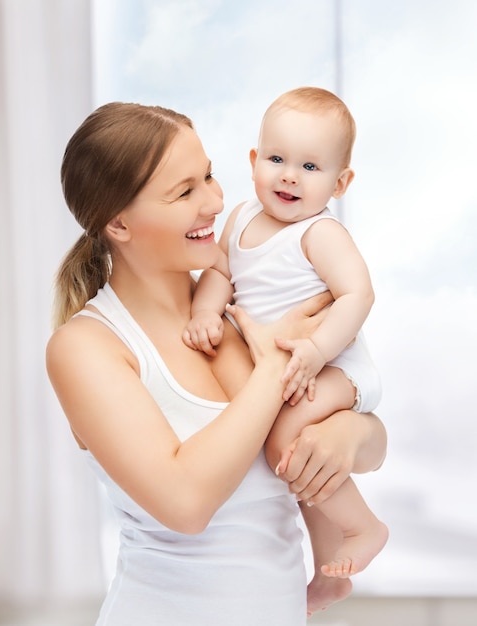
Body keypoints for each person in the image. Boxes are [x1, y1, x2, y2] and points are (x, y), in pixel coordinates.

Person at [46, 101, 388, 626]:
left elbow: (369, 447)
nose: (215, 201)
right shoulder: (88, 347)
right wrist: (275, 367)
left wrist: (351, 437)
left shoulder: (241, 311)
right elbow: (185, 503)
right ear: (118, 222)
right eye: (184, 192)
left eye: (208, 175)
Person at [183, 86, 389, 613]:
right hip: (289, 366)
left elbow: (357, 294)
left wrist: (317, 350)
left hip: (336, 366)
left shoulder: (320, 233)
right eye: (276, 159)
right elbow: (220, 272)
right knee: (300, 467)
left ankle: (363, 527)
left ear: (341, 183)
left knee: (285, 446)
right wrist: (207, 310)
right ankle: (329, 567)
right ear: (254, 161)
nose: (289, 175)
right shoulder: (240, 220)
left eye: (310, 166)